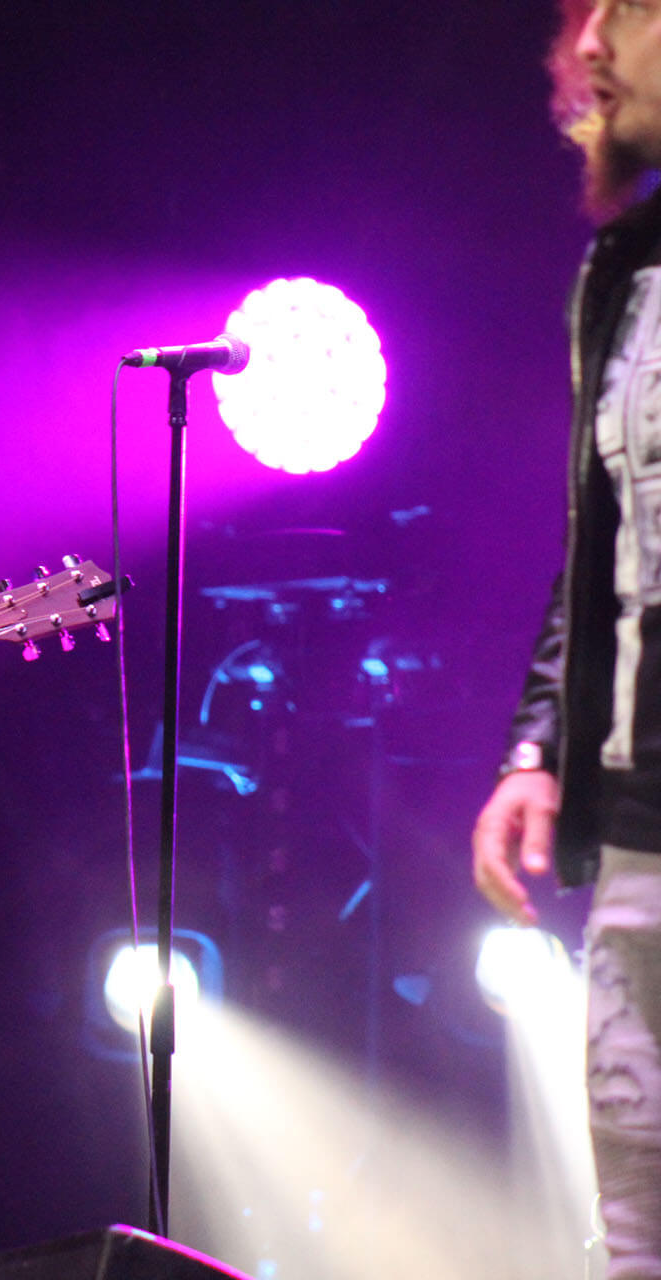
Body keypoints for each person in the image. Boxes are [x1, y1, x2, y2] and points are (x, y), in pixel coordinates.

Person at [471, 3, 661, 1274]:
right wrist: (537, 748)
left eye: (627, 8)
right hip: (639, 825)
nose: (589, 45)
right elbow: (602, 544)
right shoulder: (622, 269)